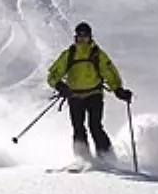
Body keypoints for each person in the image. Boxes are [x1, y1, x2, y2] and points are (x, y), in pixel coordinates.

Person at [46, 21, 132, 162]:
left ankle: (107, 157)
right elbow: (53, 74)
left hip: (94, 95)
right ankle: (83, 159)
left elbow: (109, 73)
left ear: (90, 36)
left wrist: (118, 89)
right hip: (74, 96)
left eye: (85, 35)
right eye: (80, 35)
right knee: (79, 128)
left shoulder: (97, 54)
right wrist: (60, 86)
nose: (82, 38)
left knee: (95, 126)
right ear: (76, 36)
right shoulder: (69, 54)